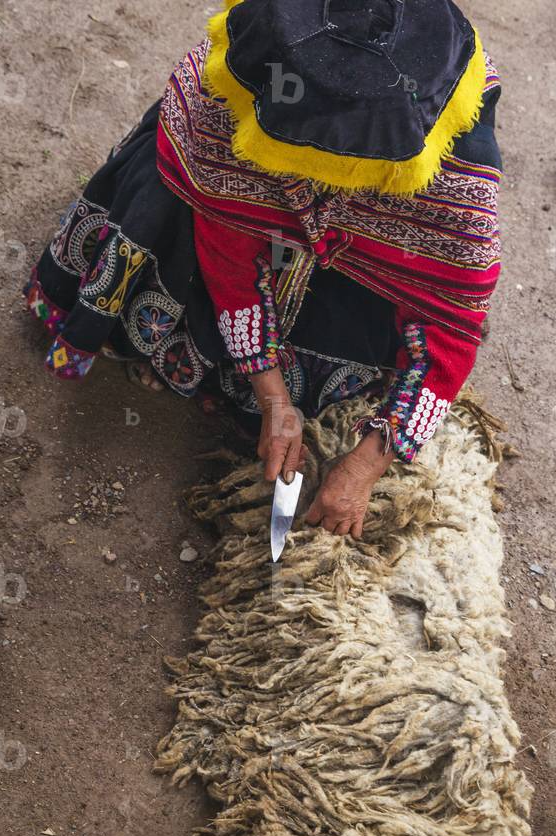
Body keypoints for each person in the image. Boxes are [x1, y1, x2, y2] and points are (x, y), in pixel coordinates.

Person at [25, 0, 503, 539]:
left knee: (354, 344)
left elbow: (451, 326)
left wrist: (366, 463)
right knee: (177, 214)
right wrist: (273, 396)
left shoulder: (450, 184)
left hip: (373, 227)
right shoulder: (236, 85)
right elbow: (229, 247)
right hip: (227, 187)